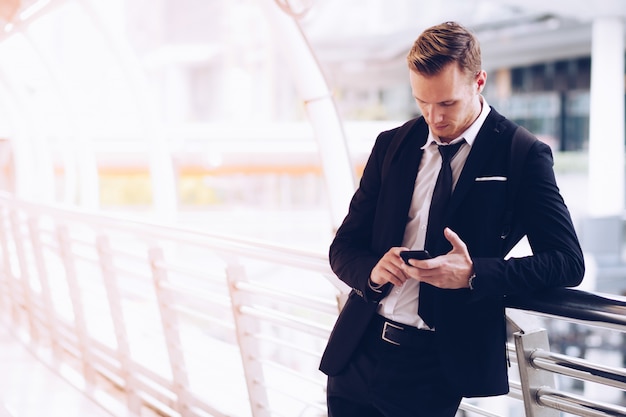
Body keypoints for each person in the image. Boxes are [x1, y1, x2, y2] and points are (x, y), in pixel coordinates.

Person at [319, 21, 585, 417]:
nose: (434, 117)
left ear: (479, 82)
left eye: (446, 104)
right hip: (358, 351)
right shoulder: (391, 145)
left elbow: (567, 262)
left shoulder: (522, 155)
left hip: (434, 368)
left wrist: (475, 272)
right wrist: (374, 271)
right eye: (422, 102)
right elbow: (343, 247)